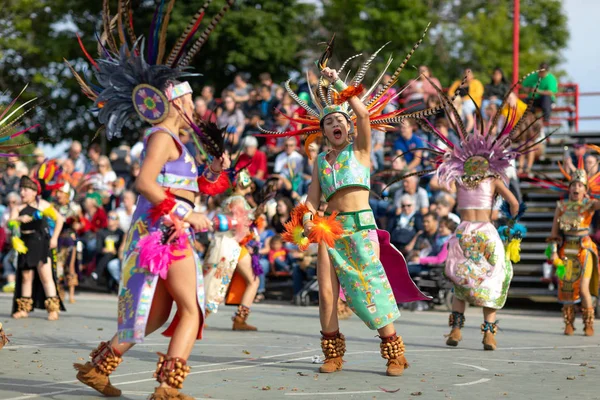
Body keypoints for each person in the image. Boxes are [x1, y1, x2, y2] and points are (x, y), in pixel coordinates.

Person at [67, 2, 234, 397]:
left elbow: (189, 186)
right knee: (192, 309)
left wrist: (212, 170)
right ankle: (168, 389)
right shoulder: (162, 135)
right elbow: (144, 183)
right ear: (177, 101)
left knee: (156, 314)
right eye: (190, 99)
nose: (195, 106)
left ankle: (97, 370)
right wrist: (185, 216)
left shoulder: (179, 142)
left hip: (165, 231)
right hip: (166, 232)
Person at [260, 40, 430, 376]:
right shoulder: (321, 161)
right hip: (330, 230)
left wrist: (338, 84)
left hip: (361, 227)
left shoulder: (361, 152)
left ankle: (393, 351)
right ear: (323, 131)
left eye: (340, 120)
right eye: (329, 123)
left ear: (348, 127)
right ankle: (332, 352)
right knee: (326, 292)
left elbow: (364, 112)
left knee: (369, 286)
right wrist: (307, 214)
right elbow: (311, 197)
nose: (335, 124)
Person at [407, 79, 533, 351]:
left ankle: (455, 330)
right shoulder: (494, 178)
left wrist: (448, 165)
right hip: (486, 231)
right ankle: (489, 333)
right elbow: (514, 204)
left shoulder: (460, 178)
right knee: (494, 279)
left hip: (463, 232)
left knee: (461, 283)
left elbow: (436, 183)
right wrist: (509, 222)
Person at [536, 148, 600, 336]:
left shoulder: (590, 204)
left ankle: (588, 322)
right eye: (573, 184)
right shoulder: (561, 206)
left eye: (580, 185)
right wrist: (553, 251)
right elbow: (554, 233)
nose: (576, 188)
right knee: (566, 288)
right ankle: (569, 322)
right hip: (565, 250)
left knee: (583, 287)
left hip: (584, 248)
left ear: (585, 188)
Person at [202, 170, 261, 330]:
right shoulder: (238, 200)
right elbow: (239, 225)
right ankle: (238, 319)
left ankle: (203, 315)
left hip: (227, 242)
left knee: (217, 277)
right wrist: (251, 237)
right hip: (232, 243)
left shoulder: (230, 199)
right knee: (244, 280)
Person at [10, 176, 65, 321]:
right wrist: (17, 220)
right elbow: (9, 223)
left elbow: (60, 219)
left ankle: (53, 309)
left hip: (40, 242)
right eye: (21, 189)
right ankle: (24, 309)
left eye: (25, 190)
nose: (22, 192)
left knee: (45, 276)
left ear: (34, 192)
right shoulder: (18, 208)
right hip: (24, 244)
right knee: (26, 277)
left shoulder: (43, 205)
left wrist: (54, 238)